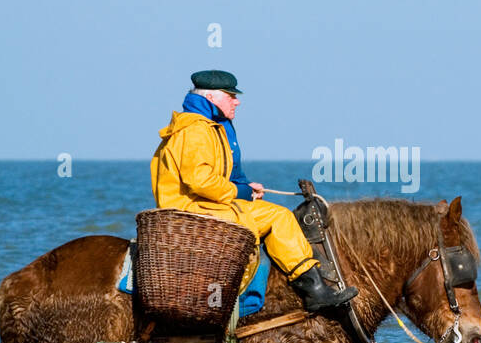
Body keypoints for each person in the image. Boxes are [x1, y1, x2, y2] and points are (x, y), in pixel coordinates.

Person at [150, 69, 357, 313]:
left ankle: (312, 287)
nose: (237, 101)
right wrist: (241, 193)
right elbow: (200, 180)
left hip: (209, 203)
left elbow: (222, 175)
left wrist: (245, 187)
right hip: (191, 209)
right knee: (277, 217)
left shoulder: (210, 126)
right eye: (231, 95)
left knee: (277, 215)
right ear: (212, 98)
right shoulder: (196, 130)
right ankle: (310, 291)